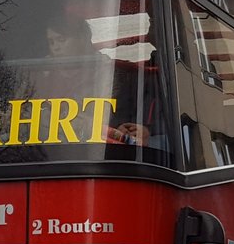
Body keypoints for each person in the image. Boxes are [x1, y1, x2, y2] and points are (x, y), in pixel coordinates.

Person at [39, 12, 152, 146]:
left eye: (61, 40)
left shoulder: (110, 73)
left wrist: (120, 128)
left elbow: (112, 117)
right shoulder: (41, 75)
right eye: (51, 42)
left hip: (92, 148)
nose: (55, 47)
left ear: (83, 39)